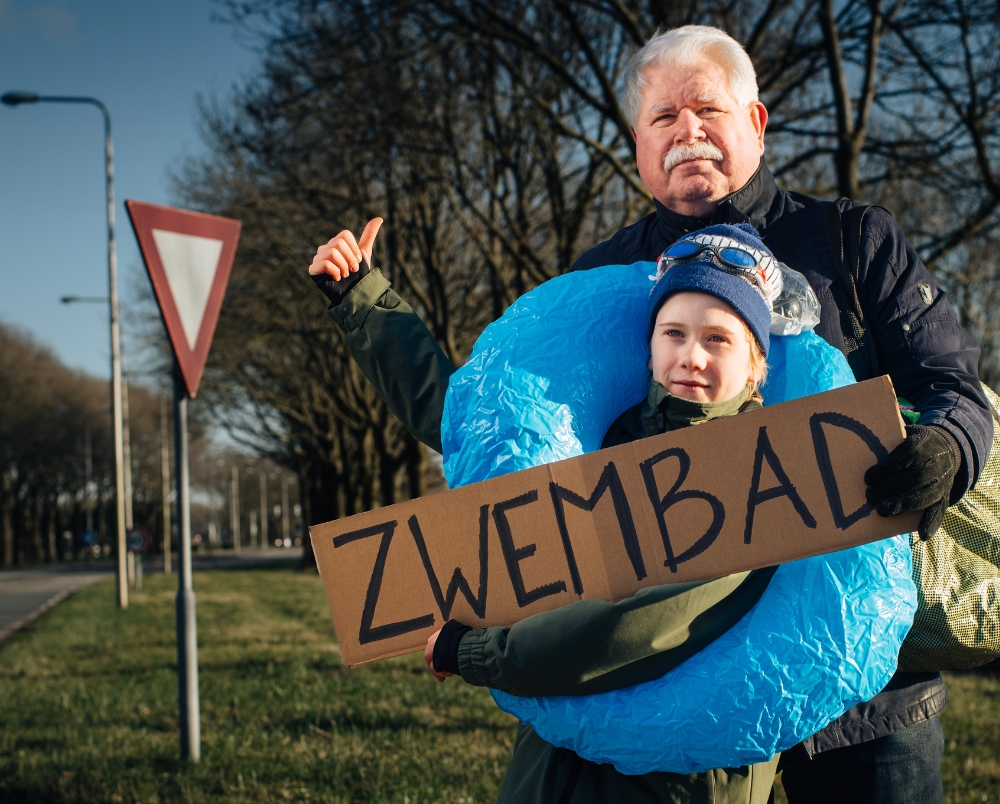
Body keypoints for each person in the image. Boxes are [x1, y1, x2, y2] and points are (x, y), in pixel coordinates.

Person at [309, 25, 992, 804]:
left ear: (757, 123)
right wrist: (368, 306)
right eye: (663, 118)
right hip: (683, 721)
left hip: (872, 707)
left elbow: (954, 387)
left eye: (706, 108)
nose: (686, 132)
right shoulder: (600, 281)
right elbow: (496, 429)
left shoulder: (855, 240)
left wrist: (946, 448)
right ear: (638, 142)